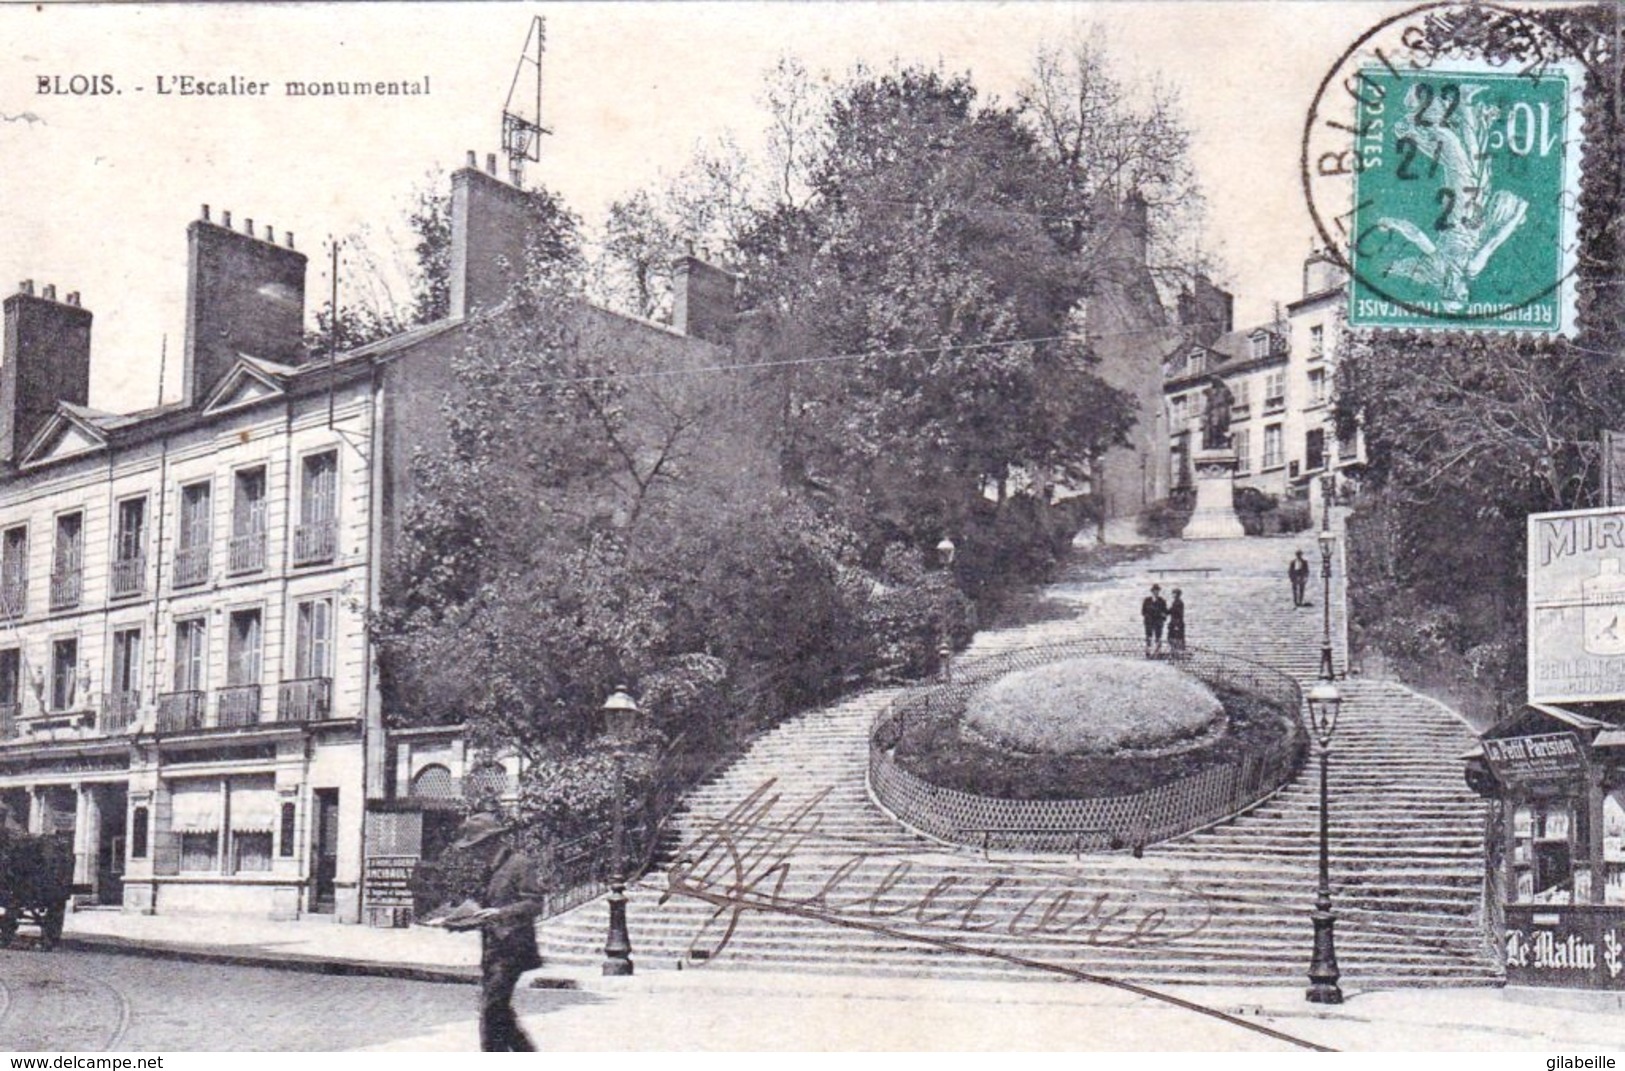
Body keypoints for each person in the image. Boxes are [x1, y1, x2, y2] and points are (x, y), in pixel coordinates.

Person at [441, 812, 548, 1051]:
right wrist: (456, 920)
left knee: (491, 1011)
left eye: (477, 847)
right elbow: (482, 907)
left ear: (491, 842)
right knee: (500, 1014)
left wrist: (500, 913)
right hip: (492, 950)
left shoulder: (520, 864)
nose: (474, 853)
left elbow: (535, 904)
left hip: (513, 950)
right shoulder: (490, 869)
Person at [1142, 583, 1169, 656]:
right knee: (1148, 636)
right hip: (1149, 622)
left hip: (1158, 622)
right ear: (1152, 591)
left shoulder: (1162, 601)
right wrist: (1148, 617)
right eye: (1154, 591)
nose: (1156, 592)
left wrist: (1162, 617)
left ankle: (1158, 652)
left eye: (1157, 591)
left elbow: (1165, 611)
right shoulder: (1147, 600)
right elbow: (1143, 611)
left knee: (1158, 637)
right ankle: (1148, 651)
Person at [1167, 589, 1187, 657]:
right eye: (1173, 593)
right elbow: (1170, 611)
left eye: (1174, 593)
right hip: (1175, 623)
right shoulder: (1175, 602)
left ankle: (1177, 652)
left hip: (1177, 623)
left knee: (1176, 638)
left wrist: (1176, 625)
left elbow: (1178, 614)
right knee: (1173, 638)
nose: (1173, 595)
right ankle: (1175, 651)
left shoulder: (1178, 603)